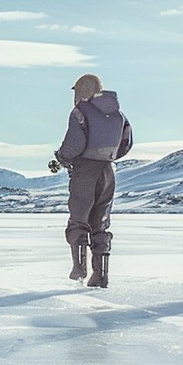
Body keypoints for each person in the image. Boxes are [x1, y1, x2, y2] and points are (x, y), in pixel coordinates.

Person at [50, 73, 133, 287]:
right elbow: (126, 144)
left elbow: (74, 144)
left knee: (79, 219)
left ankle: (79, 269)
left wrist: (62, 158)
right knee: (101, 222)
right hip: (108, 171)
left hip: (85, 171)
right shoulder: (120, 116)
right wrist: (108, 157)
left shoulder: (80, 112)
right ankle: (101, 275)